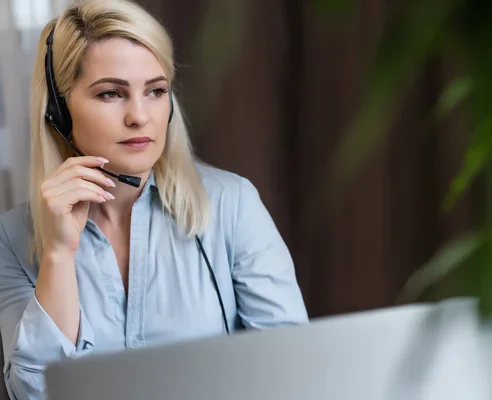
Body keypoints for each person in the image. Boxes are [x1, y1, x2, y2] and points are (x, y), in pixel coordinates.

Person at [0, 1, 308, 398]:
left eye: (155, 91)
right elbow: (34, 392)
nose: (139, 116)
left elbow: (293, 371)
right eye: (111, 93)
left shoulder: (232, 205)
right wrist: (59, 254)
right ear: (58, 110)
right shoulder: (11, 237)